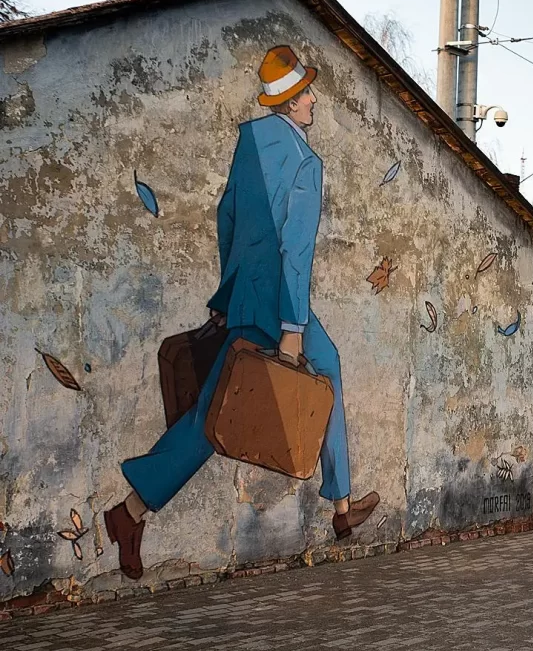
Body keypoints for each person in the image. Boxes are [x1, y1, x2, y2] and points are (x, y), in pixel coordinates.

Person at [104, 46, 378, 581]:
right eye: (306, 95)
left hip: (246, 295)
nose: (314, 100)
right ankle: (341, 507)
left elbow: (225, 213)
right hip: (281, 304)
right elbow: (296, 252)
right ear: (291, 103)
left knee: (215, 416)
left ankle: (130, 513)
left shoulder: (250, 140)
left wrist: (229, 292)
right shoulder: (306, 163)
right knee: (323, 371)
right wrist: (293, 330)